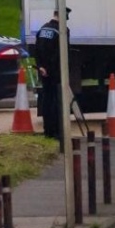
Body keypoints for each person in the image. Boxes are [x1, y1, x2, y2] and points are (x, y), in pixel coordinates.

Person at [34, 8, 71, 140]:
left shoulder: (42, 29)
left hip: (44, 71)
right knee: (56, 101)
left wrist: (41, 67)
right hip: (55, 71)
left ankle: (47, 131)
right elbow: (61, 54)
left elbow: (37, 50)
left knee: (46, 100)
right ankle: (56, 131)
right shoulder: (62, 31)